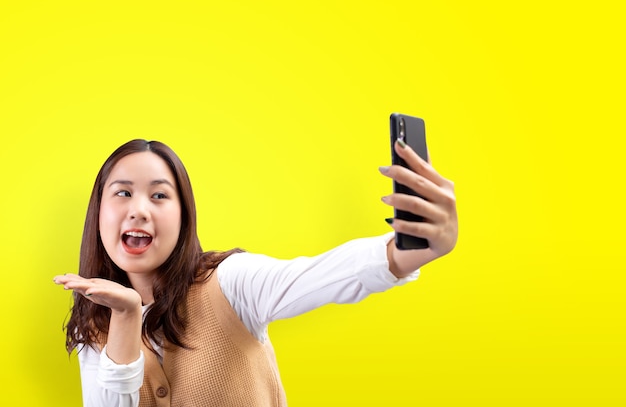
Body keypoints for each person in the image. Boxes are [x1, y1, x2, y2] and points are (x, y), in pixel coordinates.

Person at [54, 138, 457, 407]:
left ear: (183, 217)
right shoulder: (97, 326)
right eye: (122, 192)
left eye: (159, 195)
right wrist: (125, 319)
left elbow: (318, 276)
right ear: (99, 213)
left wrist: (408, 251)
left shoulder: (229, 282)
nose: (139, 208)